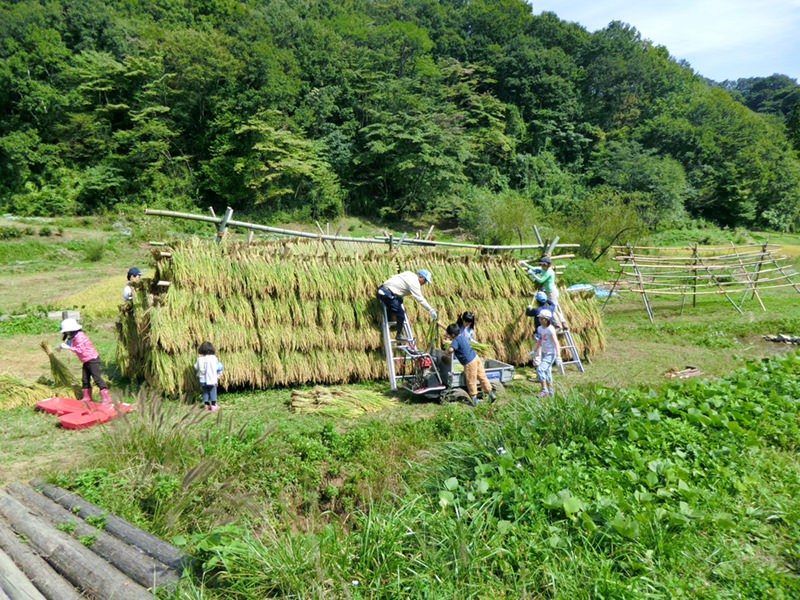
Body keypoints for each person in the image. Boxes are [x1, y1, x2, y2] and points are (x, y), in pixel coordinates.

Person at [57, 318, 111, 403]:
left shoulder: (80, 336)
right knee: (85, 380)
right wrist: (60, 347)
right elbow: (68, 343)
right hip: (86, 361)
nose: (66, 333)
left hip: (92, 360)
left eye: (66, 331)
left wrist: (69, 348)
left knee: (97, 378)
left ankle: (106, 398)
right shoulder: (73, 336)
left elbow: (80, 350)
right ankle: (87, 397)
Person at [445, 323, 495, 406]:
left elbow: (450, 350)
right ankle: (491, 394)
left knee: (471, 380)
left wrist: (446, 353)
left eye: (449, 335)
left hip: (469, 362)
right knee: (482, 376)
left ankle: (474, 401)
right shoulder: (461, 336)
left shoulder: (455, 340)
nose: (448, 336)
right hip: (476, 358)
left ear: (453, 335)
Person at [376, 269, 437, 335]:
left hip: (383, 288)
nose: (424, 283)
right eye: (425, 281)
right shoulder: (415, 283)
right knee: (401, 315)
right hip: (386, 294)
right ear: (420, 277)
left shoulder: (409, 273)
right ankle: (398, 334)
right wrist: (430, 309)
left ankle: (392, 313)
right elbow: (420, 299)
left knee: (400, 300)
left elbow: (393, 277)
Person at [529, 309, 561, 396]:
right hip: (544, 352)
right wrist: (533, 350)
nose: (540, 320)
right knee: (547, 371)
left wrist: (558, 356)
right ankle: (550, 390)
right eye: (539, 318)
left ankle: (544, 389)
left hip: (550, 353)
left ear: (546, 320)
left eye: (541, 319)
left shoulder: (550, 329)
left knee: (540, 369)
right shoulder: (539, 329)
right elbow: (539, 340)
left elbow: (555, 342)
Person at [525, 292, 558, 366]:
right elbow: (552, 304)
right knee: (547, 349)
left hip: (539, 334)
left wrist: (528, 307)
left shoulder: (536, 310)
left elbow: (528, 313)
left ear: (537, 301)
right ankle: (547, 365)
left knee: (537, 351)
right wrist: (546, 299)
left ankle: (537, 366)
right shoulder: (550, 308)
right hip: (548, 334)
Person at [194, 341, 223, 411]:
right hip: (211, 378)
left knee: (205, 391)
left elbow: (195, 367)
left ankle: (206, 405)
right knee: (213, 390)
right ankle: (213, 405)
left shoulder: (199, 359)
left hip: (203, 379)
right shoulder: (213, 358)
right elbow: (217, 367)